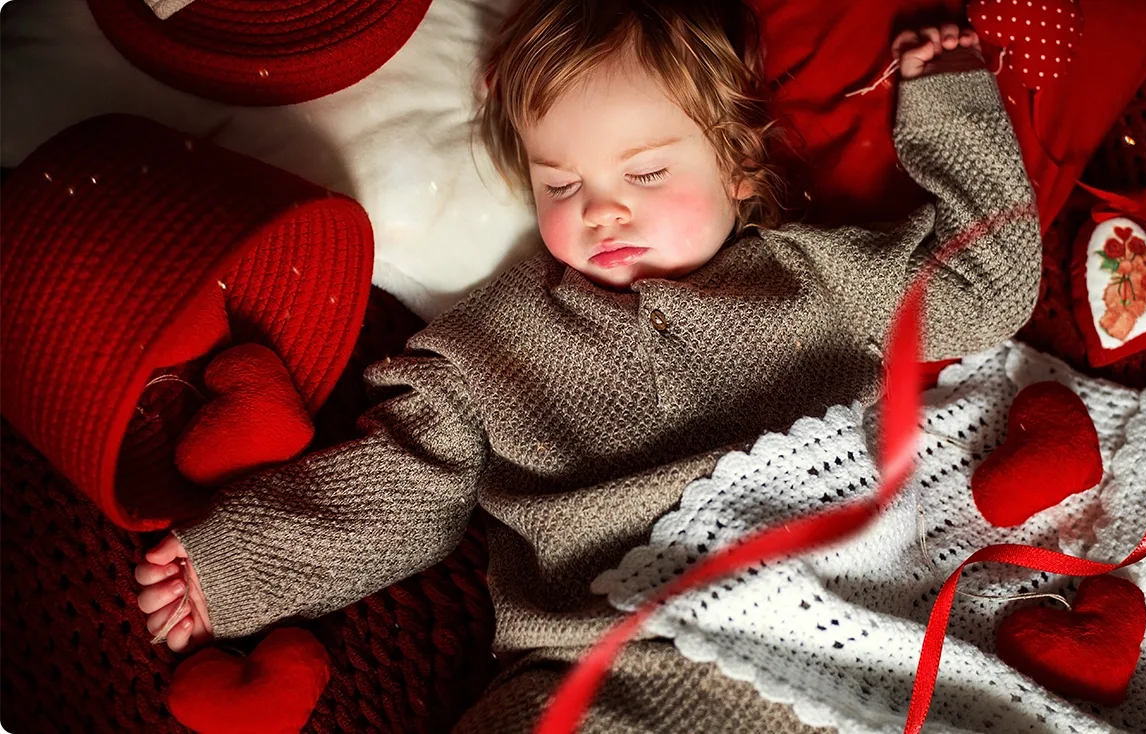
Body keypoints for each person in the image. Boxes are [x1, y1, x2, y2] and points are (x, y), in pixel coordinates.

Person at [135, 0, 1040, 730]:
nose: (602, 212)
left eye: (645, 175)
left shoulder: (823, 281)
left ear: (736, 166)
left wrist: (951, 108)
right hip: (598, 665)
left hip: (835, 647)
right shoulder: (493, 339)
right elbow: (407, 484)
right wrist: (250, 562)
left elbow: (990, 290)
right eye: (562, 185)